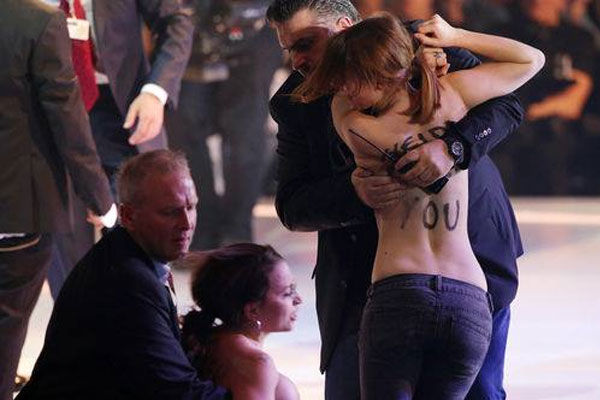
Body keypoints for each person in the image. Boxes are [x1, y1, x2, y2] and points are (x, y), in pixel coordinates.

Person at [266, 0, 527, 399]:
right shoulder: (296, 101)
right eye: (289, 49)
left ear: (343, 27)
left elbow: (507, 104)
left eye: (305, 43)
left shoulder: (423, 44)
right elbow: (293, 206)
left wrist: (453, 147)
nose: (297, 60)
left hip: (473, 267)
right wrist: (355, 193)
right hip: (364, 283)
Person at [17, 150, 228, 400]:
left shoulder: (129, 254)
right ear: (128, 216)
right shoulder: (129, 283)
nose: (186, 223)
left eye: (190, 207)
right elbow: (178, 392)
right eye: (169, 212)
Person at [0, 1, 114, 398]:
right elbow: (67, 118)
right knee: (6, 331)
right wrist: (101, 200)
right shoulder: (40, 21)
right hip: (16, 209)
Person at [48, 0, 195, 300]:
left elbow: (176, 22)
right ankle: (78, 324)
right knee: (67, 263)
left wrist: (155, 92)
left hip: (123, 109)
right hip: (52, 112)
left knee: (143, 248)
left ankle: (148, 318)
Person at [166, 0, 282, 250]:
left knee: (245, 136)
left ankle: (237, 230)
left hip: (255, 27)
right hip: (187, 27)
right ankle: (201, 227)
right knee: (183, 130)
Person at [180, 243, 302, 399]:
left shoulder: (213, 341)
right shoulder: (256, 363)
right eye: (288, 293)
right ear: (253, 311)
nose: (298, 299)